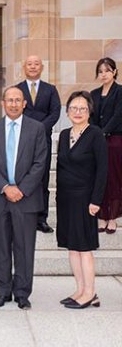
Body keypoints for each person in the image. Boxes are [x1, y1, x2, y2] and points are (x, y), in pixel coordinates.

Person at [0, 86, 47, 310]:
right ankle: (2, 291)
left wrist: (21, 188)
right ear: (3, 103)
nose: (13, 104)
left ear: (24, 103)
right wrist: (4, 187)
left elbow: (40, 163)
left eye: (17, 100)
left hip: (26, 198)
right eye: (9, 100)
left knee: (24, 247)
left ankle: (22, 293)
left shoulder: (36, 129)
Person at [57, 91, 107, 309]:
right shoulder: (64, 134)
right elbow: (59, 169)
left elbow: (102, 170)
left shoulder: (95, 134)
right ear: (67, 111)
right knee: (72, 247)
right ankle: (80, 289)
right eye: (74, 108)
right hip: (66, 199)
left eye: (83, 109)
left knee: (84, 247)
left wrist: (96, 200)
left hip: (85, 199)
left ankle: (91, 292)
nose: (78, 112)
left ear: (89, 112)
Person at [17, 55, 61, 233]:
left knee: (42, 179)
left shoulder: (50, 90)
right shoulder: (17, 89)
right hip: (22, 140)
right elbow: (14, 110)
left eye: (36, 64)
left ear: (41, 67)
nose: (33, 67)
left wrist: (39, 128)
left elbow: (55, 112)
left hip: (43, 139)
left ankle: (41, 219)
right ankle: (24, 217)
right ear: (24, 67)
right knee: (23, 177)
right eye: (29, 64)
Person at [90, 58, 122, 234]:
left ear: (115, 72)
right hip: (98, 141)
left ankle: (112, 218)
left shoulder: (120, 92)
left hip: (115, 141)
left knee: (114, 177)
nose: (103, 74)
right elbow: (91, 116)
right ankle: (102, 216)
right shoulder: (93, 94)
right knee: (100, 177)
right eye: (100, 71)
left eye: (107, 71)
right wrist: (96, 134)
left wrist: (103, 132)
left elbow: (118, 115)